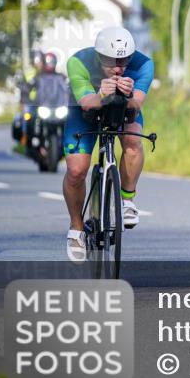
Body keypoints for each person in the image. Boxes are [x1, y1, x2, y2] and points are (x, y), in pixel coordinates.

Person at [62, 27, 154, 262]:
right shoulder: (79, 62)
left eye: (124, 60)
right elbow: (86, 104)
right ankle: (76, 229)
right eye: (111, 61)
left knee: (133, 139)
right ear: (98, 56)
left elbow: (136, 106)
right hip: (84, 111)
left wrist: (129, 94)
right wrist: (102, 95)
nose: (118, 67)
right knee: (76, 170)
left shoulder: (144, 65)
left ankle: (127, 200)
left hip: (124, 107)